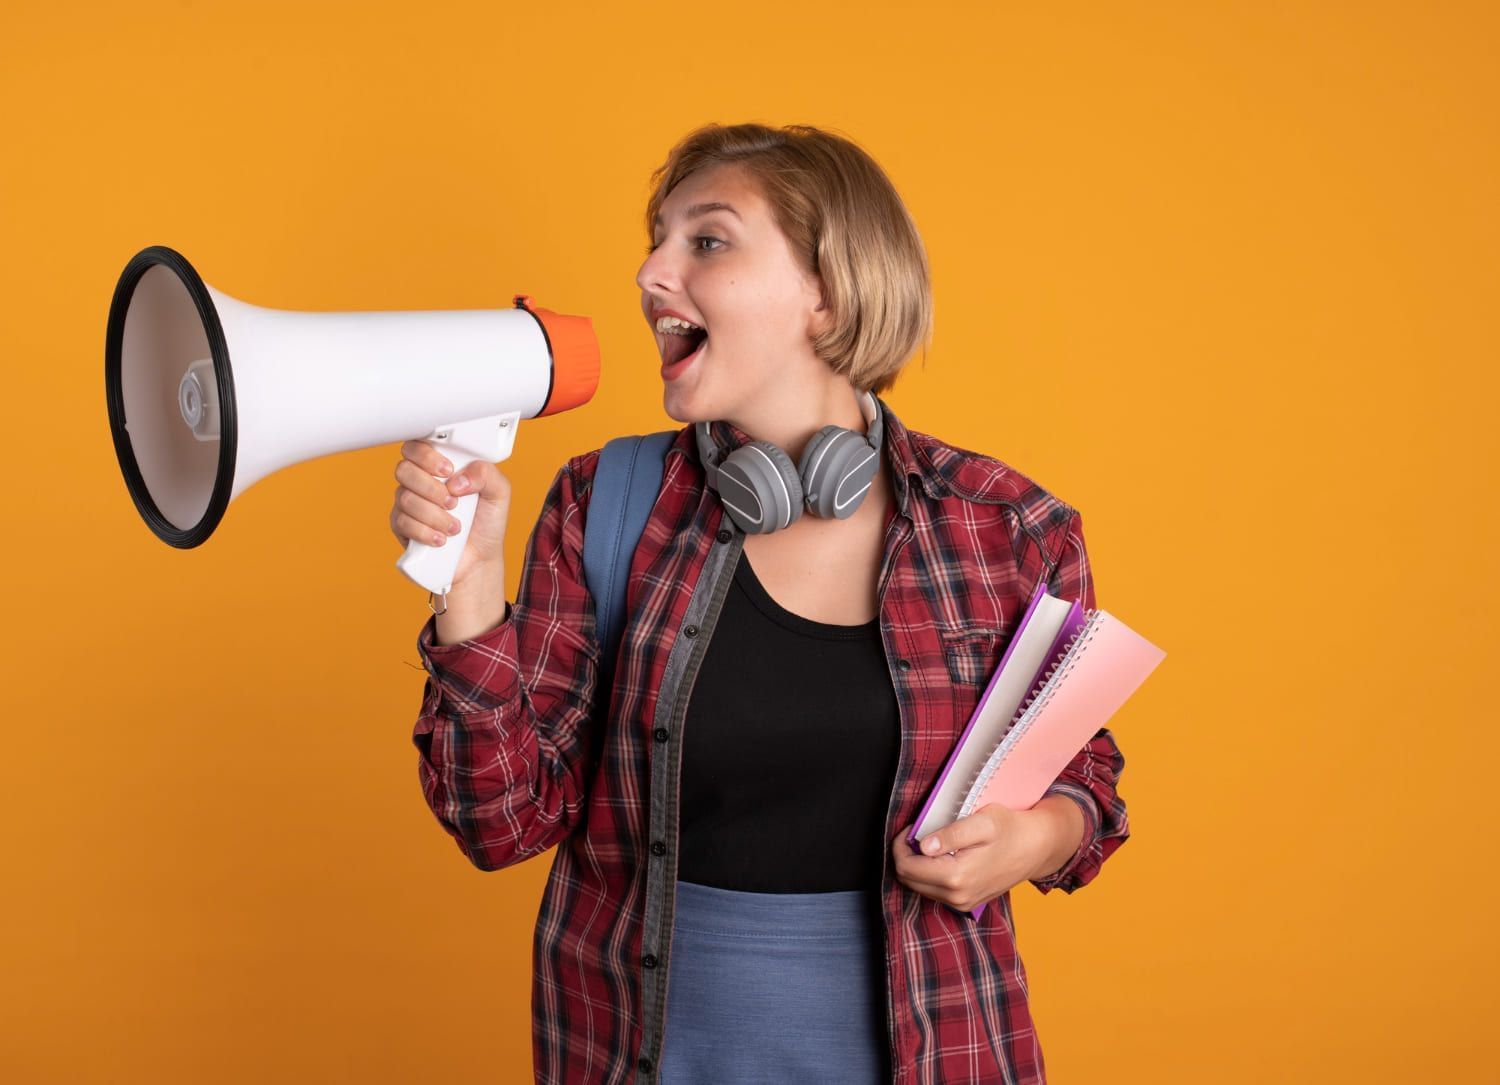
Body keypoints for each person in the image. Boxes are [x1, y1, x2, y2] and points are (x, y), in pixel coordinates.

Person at [391, 122, 1129, 1084]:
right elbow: (501, 823)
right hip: (643, 1053)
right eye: (655, 240)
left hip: (937, 1049)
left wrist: (1037, 836)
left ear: (828, 291)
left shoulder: (1006, 526)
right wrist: (469, 590)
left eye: (706, 240)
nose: (652, 272)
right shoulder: (604, 503)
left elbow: (1087, 776)